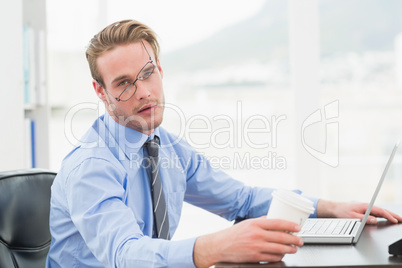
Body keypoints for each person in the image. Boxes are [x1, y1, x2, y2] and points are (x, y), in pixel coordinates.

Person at [46, 19, 402, 268]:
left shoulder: (164, 147)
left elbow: (241, 200)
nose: (144, 92)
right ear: (101, 92)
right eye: (123, 83)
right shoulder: (91, 166)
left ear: (160, 70)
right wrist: (215, 246)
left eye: (148, 73)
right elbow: (125, 256)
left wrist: (328, 207)